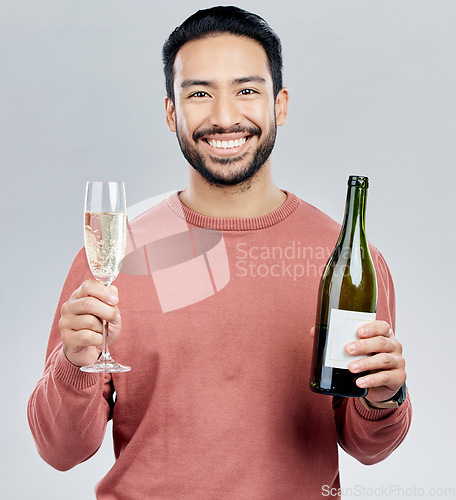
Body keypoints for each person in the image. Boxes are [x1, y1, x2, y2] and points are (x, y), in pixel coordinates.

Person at [28, 6, 411, 499]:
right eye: (200, 93)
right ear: (171, 112)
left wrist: (384, 397)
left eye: (247, 90)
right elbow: (60, 453)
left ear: (281, 104)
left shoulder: (346, 260)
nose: (225, 116)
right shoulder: (113, 257)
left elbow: (369, 448)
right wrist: (74, 367)